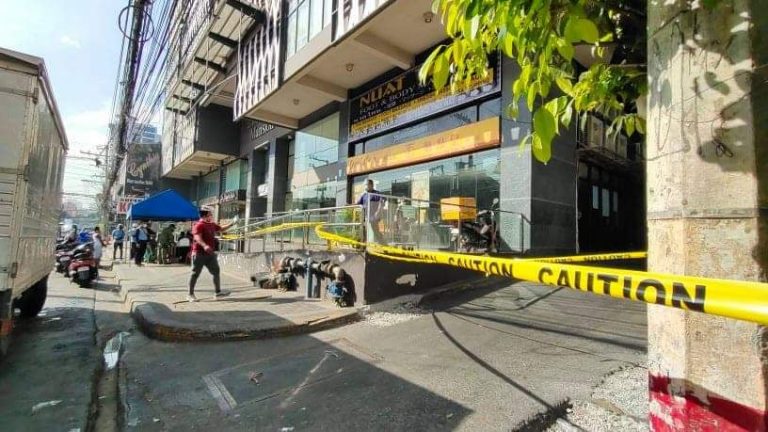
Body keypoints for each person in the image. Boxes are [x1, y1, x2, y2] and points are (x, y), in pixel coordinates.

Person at [187, 207, 238, 302]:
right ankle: (190, 294)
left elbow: (221, 229)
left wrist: (232, 223)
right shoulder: (198, 225)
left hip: (210, 254)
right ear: (205, 215)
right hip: (199, 253)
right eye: (210, 214)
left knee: (216, 271)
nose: (212, 215)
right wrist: (205, 246)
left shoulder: (211, 224)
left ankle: (218, 292)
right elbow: (197, 237)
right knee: (195, 274)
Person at [356, 179, 384, 244]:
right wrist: (349, 205)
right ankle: (363, 243)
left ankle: (383, 243)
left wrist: (377, 212)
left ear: (371, 185)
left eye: (366, 184)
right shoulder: (364, 195)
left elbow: (381, 202)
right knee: (363, 230)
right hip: (365, 216)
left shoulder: (376, 193)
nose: (365, 186)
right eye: (365, 185)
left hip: (373, 216)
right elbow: (358, 203)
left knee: (375, 231)